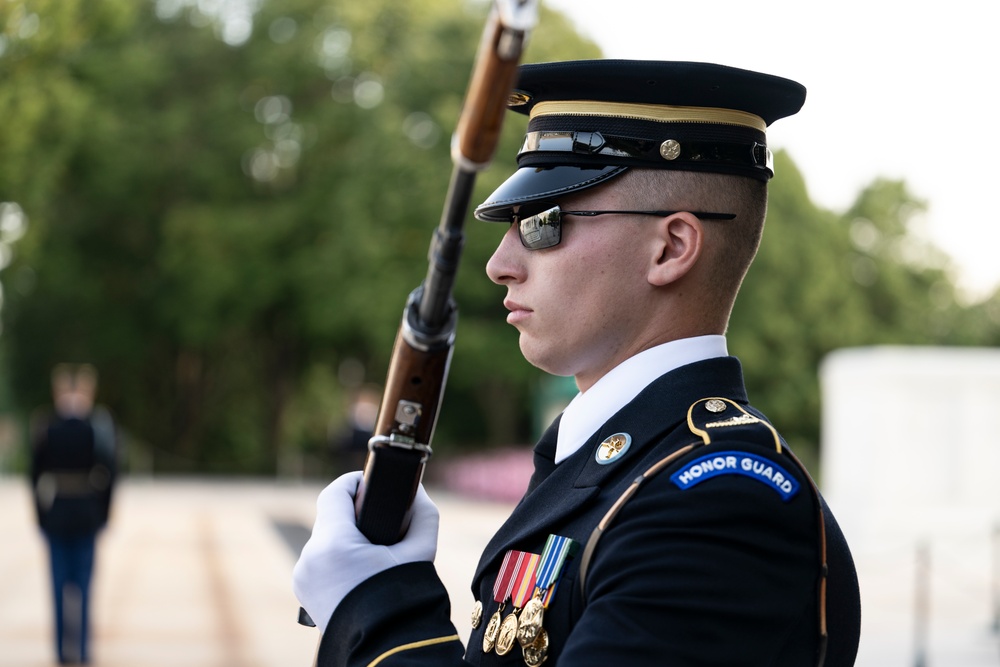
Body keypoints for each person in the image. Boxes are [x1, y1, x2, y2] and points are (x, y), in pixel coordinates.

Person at [293, 59, 862, 666]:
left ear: (671, 247)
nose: (500, 263)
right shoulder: (616, 462)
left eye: (543, 224)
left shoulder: (720, 502)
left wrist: (376, 609)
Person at [30, 364, 117, 665]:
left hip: (57, 514)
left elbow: (35, 476)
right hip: (86, 514)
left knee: (58, 587)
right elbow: (110, 473)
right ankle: (82, 651)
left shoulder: (46, 427)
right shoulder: (95, 429)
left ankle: (61, 653)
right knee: (83, 587)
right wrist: (104, 514)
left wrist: (41, 516)